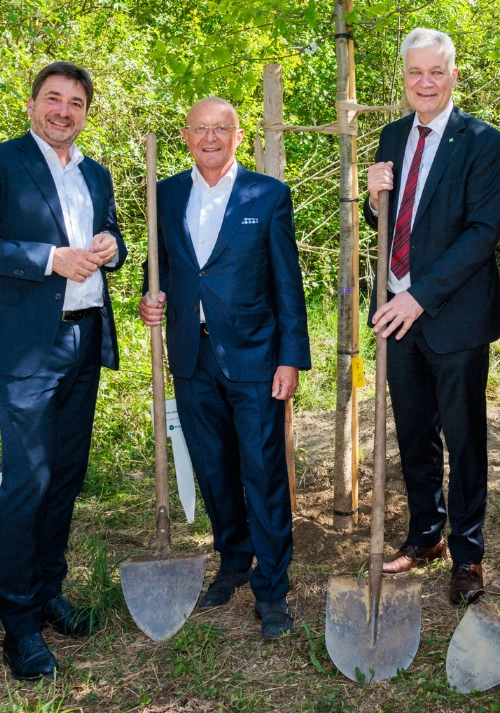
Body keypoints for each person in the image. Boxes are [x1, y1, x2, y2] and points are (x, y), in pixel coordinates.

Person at [0, 61, 127, 680]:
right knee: (29, 479)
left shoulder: (95, 174)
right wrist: (50, 258)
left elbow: (115, 241)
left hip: (84, 338)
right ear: (32, 105)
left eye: (75, 103)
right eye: (53, 99)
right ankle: (18, 624)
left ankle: (50, 592)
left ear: (85, 113)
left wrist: (110, 248)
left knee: (68, 473)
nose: (63, 111)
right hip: (25, 348)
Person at [139, 97, 311, 640]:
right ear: (186, 136)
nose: (210, 137)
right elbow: (158, 265)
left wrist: (290, 357)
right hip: (191, 354)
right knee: (213, 467)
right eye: (200, 129)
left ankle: (272, 589)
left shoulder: (267, 194)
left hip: (255, 356)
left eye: (221, 129)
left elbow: (288, 282)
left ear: (238, 136)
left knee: (262, 470)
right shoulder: (164, 195)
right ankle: (234, 560)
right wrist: (151, 297)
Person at [363, 28, 500, 605]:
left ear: (453, 75)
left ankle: (468, 554)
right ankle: (426, 535)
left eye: (435, 72)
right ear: (404, 78)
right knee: (414, 431)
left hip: (453, 315)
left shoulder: (482, 141)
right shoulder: (391, 135)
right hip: (396, 313)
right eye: (414, 73)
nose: (424, 83)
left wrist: (418, 296)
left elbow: (479, 235)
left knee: (464, 437)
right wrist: (374, 197)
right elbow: (394, 224)